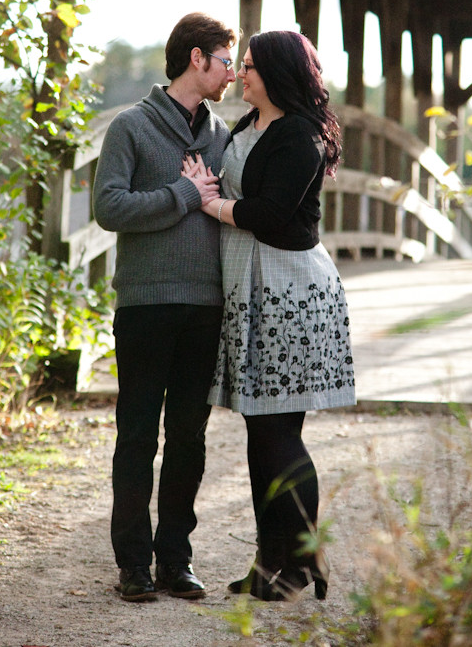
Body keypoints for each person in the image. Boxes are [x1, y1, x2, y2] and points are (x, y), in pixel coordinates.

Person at [182, 30, 355, 601]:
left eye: (251, 67)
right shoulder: (245, 126)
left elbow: (276, 215)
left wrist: (210, 203)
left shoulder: (299, 135)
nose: (241, 75)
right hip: (249, 285)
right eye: (242, 65)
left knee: (278, 433)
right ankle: (273, 560)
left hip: (289, 292)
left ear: (278, 74)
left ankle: (301, 560)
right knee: (264, 433)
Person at [93, 12, 236, 602]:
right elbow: (108, 207)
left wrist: (215, 195)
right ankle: (132, 564)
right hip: (147, 305)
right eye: (226, 60)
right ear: (197, 59)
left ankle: (174, 560)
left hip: (205, 306)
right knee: (137, 436)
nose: (231, 71)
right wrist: (182, 194)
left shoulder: (222, 135)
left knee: (189, 437)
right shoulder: (131, 127)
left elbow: (236, 206)